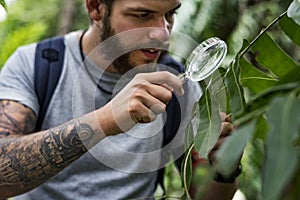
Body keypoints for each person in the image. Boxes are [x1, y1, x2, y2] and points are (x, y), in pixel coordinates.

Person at [0, 0, 239, 199]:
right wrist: (105, 120)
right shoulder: (36, 65)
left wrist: (223, 167)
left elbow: (205, 195)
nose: (163, 32)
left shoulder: (178, 84)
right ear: (96, 8)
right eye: (142, 15)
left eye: (170, 14)